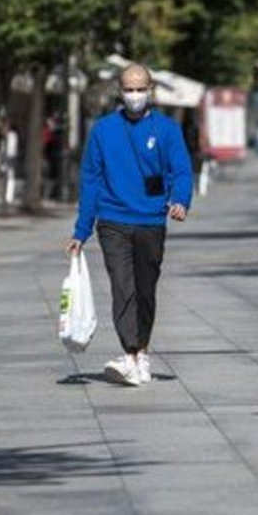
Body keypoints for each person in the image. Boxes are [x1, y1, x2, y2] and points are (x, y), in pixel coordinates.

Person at [69, 63, 194, 386]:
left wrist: (180, 200)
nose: (134, 95)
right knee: (122, 287)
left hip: (151, 221)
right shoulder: (103, 130)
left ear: (151, 90)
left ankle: (142, 353)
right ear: (120, 91)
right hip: (113, 221)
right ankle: (130, 354)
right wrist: (81, 230)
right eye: (129, 89)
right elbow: (90, 180)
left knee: (145, 290)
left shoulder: (166, 130)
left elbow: (181, 170)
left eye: (140, 89)